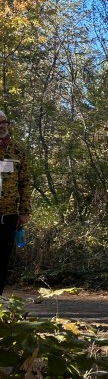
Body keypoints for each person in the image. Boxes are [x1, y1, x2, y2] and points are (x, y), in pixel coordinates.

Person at [0, 110, 31, 295]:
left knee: (2, 258)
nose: (2, 126)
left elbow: (25, 182)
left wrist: (24, 210)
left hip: (9, 214)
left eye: (5, 122)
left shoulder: (17, 150)